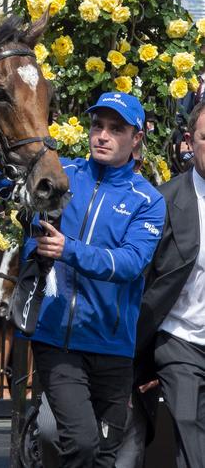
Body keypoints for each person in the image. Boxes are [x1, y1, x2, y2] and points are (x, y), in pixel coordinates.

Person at [24, 91, 165, 467]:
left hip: (115, 350)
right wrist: (34, 247)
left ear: (136, 139)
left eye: (116, 129)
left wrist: (67, 249)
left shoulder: (148, 200)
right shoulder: (63, 175)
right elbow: (30, 239)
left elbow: (130, 264)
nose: (102, 135)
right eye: (97, 126)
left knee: (104, 455)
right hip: (58, 342)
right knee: (83, 443)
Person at [135, 99, 205, 468]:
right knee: (190, 430)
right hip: (181, 341)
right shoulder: (164, 201)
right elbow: (145, 282)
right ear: (191, 142)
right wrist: (142, 360)